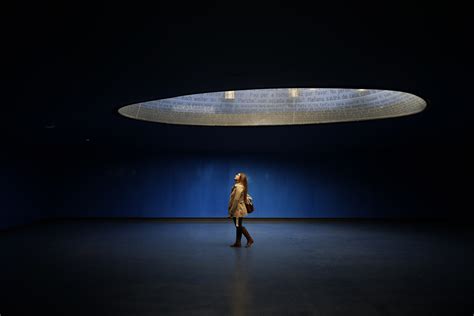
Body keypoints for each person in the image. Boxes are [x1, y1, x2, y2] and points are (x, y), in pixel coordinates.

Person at [228, 172, 254, 248]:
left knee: (238, 225)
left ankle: (250, 239)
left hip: (237, 210)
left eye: (238, 175)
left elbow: (236, 200)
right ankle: (238, 242)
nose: (236, 175)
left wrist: (231, 211)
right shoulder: (240, 186)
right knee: (238, 225)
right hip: (239, 209)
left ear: (240, 178)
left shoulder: (239, 187)